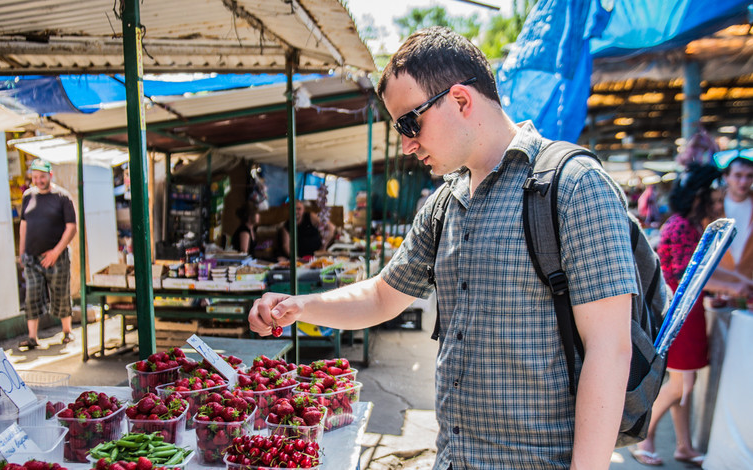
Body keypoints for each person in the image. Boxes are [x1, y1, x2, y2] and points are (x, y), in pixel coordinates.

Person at [250, 27, 639, 469]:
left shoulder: (574, 186)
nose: (407, 144)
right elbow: (382, 295)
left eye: (410, 123)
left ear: (459, 100)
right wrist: (300, 305)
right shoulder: (445, 203)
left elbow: (610, 348)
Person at [631, 164, 751, 467]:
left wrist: (739, 283)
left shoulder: (687, 225)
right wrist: (740, 284)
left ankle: (683, 446)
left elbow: (704, 270)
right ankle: (644, 440)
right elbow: (694, 274)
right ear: (701, 196)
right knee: (681, 386)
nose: (719, 201)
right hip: (679, 312)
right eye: (714, 197)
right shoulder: (682, 226)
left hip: (687, 311)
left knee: (682, 385)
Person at [18, 159, 77, 349]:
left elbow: (71, 228)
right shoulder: (28, 196)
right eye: (35, 177)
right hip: (32, 256)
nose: (38, 180)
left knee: (60, 293)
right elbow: (24, 225)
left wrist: (55, 252)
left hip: (57, 256)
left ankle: (67, 331)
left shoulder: (62, 197)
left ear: (50, 175)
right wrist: (21, 252)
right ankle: (32, 337)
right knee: (32, 295)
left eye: (42, 177)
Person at [718, 156, 753, 280]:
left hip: (749, 285)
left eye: (749, 176)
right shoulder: (713, 205)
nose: (743, 182)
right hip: (719, 286)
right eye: (738, 175)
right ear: (726, 177)